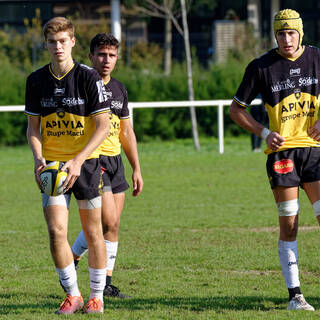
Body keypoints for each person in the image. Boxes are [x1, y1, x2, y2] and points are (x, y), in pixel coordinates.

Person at [229, 9, 320, 311]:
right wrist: (263, 131)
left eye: (291, 32)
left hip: (315, 152)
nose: (286, 39)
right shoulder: (261, 66)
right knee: (290, 224)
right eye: (281, 33)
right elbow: (236, 109)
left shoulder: (317, 58)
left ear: (301, 33)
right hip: (282, 156)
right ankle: (296, 296)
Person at [25, 17, 110, 314]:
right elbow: (32, 129)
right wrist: (38, 159)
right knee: (56, 231)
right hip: (51, 168)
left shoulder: (88, 78)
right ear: (46, 44)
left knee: (93, 232)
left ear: (73, 42)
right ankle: (73, 294)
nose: (58, 47)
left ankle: (96, 295)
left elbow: (102, 126)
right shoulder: (35, 80)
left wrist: (77, 160)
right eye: (52, 42)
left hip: (84, 165)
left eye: (63, 41)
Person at [71, 33, 143, 298]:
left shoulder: (119, 89)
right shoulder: (82, 86)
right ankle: (78, 261)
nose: (106, 60)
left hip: (116, 161)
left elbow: (127, 132)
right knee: (107, 218)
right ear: (90, 56)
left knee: (112, 226)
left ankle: (104, 281)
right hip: (94, 160)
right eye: (101, 54)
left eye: (112, 55)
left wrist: (136, 167)